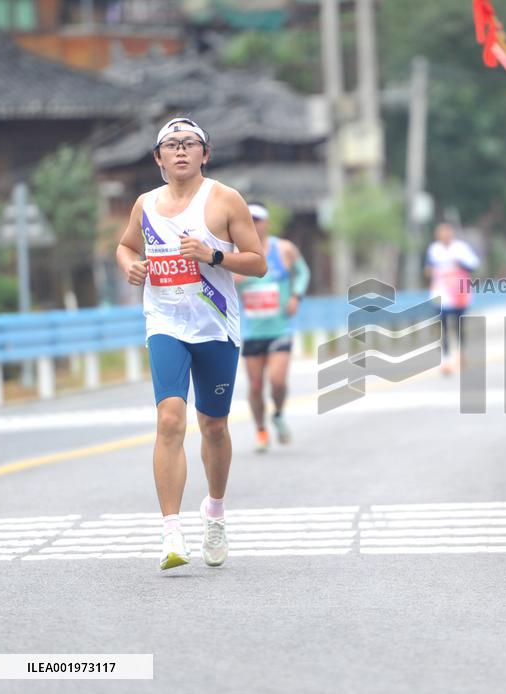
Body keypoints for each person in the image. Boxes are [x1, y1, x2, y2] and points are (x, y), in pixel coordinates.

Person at [115, 117, 266, 570]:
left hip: (216, 326)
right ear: (158, 158)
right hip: (165, 323)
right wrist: (130, 265)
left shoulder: (224, 199)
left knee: (214, 426)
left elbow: (257, 262)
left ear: (205, 153)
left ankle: (214, 513)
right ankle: (171, 532)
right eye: (171, 144)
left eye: (190, 143)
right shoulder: (145, 204)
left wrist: (213, 255)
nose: (181, 150)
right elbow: (125, 246)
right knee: (169, 419)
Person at [236, 202, 310, 453]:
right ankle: (261, 430)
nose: (254, 225)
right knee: (256, 386)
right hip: (251, 331)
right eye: (249, 220)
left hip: (280, 328)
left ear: (266, 222)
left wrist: (296, 296)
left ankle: (277, 413)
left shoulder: (284, 249)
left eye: (257, 220)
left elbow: (302, 272)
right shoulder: (235, 254)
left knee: (277, 381)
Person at [424, 223, 480, 375]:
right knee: (442, 326)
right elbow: (428, 270)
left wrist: (460, 263)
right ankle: (445, 359)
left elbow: (474, 264)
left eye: (446, 232)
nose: (443, 235)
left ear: (451, 233)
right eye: (440, 233)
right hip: (440, 291)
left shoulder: (461, 248)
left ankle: (460, 353)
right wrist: (429, 271)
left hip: (459, 292)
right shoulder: (434, 249)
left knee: (459, 324)